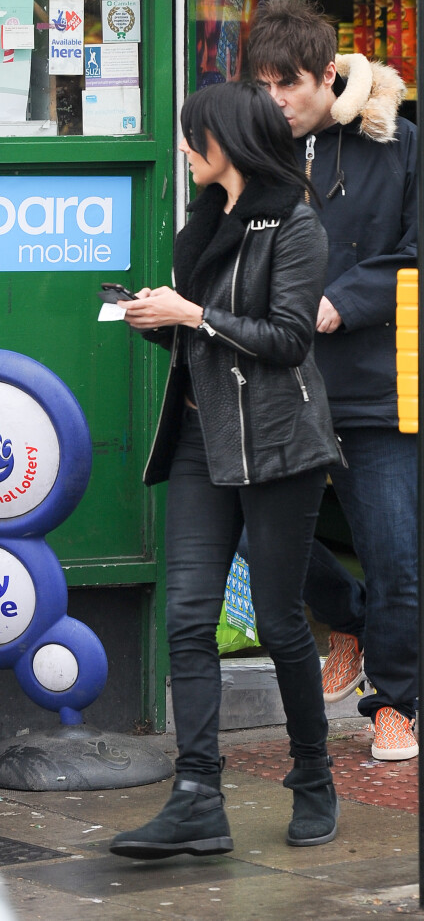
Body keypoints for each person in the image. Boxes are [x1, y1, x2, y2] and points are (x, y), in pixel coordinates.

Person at [109, 80, 341, 859]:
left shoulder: (296, 226)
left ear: (225, 144)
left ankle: (314, 776)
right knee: (186, 619)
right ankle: (197, 797)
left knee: (279, 623)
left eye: (190, 137)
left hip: (277, 447)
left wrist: (195, 314)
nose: (182, 149)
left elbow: (287, 341)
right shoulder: (200, 228)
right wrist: (157, 318)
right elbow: (203, 347)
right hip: (202, 444)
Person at [244, 0, 419, 762]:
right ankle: (345, 618)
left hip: (371, 384)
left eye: (291, 85)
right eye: (265, 85)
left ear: (329, 75)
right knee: (250, 533)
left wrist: (343, 303)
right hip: (279, 382)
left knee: (397, 555)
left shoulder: (399, 144)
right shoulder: (251, 147)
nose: (277, 101)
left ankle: (395, 704)